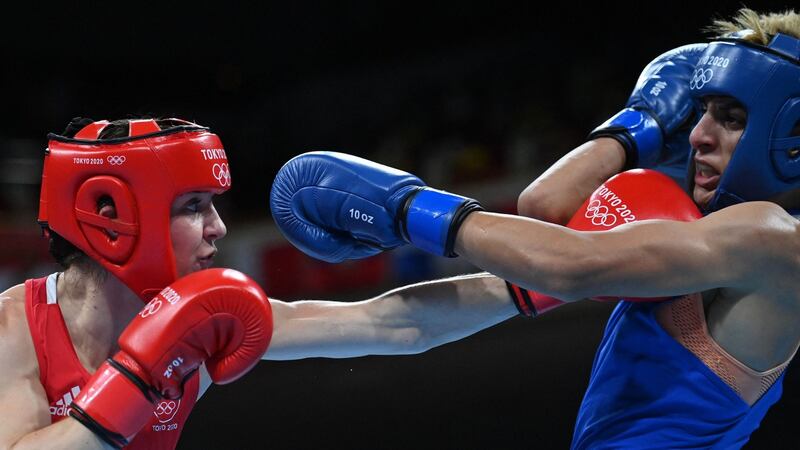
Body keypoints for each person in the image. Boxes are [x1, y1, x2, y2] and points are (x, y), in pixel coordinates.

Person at [269, 8, 800, 448]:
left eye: (732, 118)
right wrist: (637, 127)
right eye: (701, 112)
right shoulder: (684, 241)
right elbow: (543, 212)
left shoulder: (774, 240)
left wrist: (409, 208)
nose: (698, 136)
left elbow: (569, 264)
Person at [0, 117, 524, 449]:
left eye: (214, 205)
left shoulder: (203, 319)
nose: (218, 228)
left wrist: (537, 283)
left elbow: (393, 323)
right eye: (193, 207)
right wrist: (140, 375)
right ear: (110, 215)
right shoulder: (15, 328)